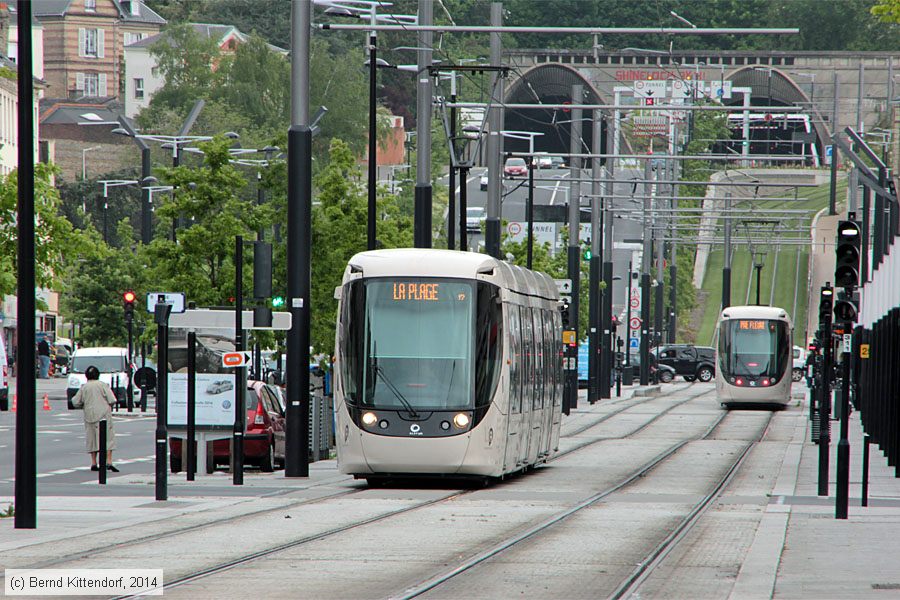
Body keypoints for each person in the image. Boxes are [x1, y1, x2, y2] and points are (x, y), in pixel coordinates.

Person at [71, 366, 119, 472]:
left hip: (89, 415)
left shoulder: (84, 387)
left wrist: (83, 405)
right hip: (104, 415)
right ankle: (109, 461)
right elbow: (112, 399)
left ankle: (93, 462)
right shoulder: (102, 385)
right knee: (108, 438)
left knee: (92, 439)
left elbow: (75, 401)